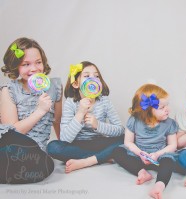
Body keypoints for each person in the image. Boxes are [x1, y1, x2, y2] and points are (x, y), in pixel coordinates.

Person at [0, 37, 62, 184]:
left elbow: (58, 121)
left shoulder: (54, 86)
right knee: (13, 151)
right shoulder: (8, 91)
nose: (34, 68)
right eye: (26, 64)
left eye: (38, 62)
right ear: (16, 67)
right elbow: (12, 133)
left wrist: (64, 147)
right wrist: (39, 111)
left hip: (35, 151)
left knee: (45, 166)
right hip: (12, 143)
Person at [47, 61, 124, 173]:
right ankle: (104, 157)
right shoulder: (70, 103)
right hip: (77, 145)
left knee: (126, 138)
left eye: (96, 76)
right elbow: (64, 138)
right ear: (76, 84)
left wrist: (98, 125)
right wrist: (80, 113)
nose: (92, 79)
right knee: (53, 147)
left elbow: (120, 130)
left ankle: (87, 161)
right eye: (87, 76)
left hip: (100, 142)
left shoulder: (104, 101)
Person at [112, 84, 178, 199]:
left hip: (159, 156)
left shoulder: (169, 123)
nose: (167, 109)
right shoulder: (134, 120)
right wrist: (141, 154)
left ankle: (159, 186)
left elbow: (173, 145)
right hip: (138, 155)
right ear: (147, 111)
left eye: (167, 105)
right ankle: (141, 172)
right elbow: (128, 142)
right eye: (162, 108)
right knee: (118, 152)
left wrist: (157, 154)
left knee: (169, 161)